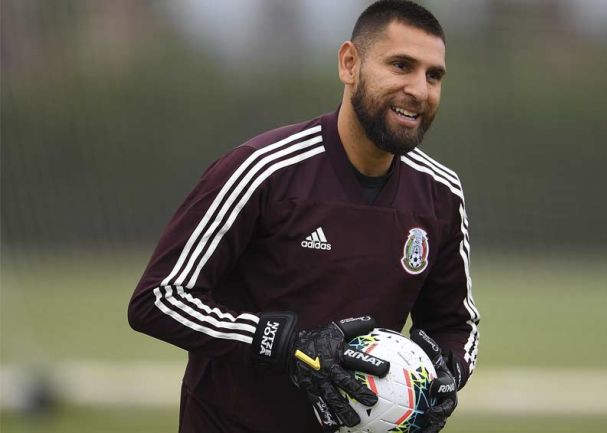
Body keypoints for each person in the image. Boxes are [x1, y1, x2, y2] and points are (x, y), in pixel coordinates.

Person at [128, 1, 479, 432]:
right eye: (401, 65)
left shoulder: (440, 193)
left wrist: (445, 375)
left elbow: (454, 324)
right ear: (350, 64)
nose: (419, 90)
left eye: (434, 75)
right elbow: (159, 299)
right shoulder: (262, 169)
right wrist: (286, 343)